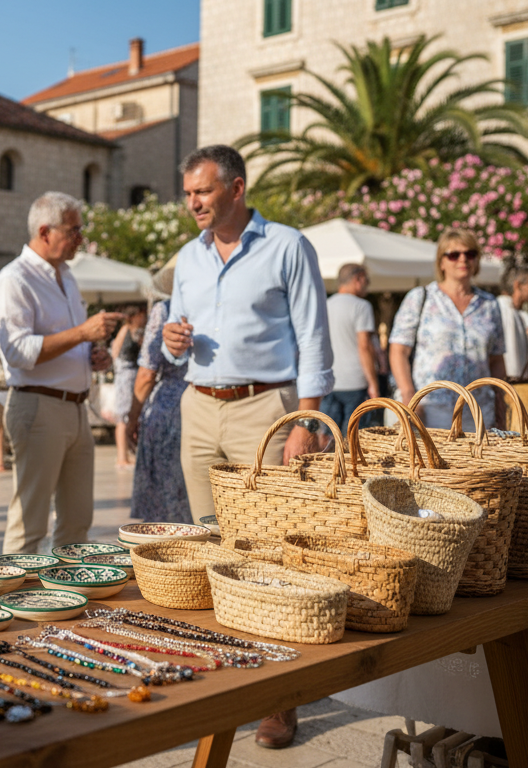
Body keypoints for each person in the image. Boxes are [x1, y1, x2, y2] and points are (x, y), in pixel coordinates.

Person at [158, 145, 332, 750]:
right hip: (200, 406)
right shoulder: (187, 258)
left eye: (202, 192)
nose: (193, 204)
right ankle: (225, 681)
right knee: (213, 545)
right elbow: (173, 344)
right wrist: (171, 341)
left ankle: (281, 701)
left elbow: (314, 337)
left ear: (236, 188)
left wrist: (308, 422)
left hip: (269, 410)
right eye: (187, 194)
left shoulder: (288, 245)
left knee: (274, 553)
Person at [0, 191, 122, 555]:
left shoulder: (66, 275)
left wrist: (91, 355)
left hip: (75, 408)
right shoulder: (14, 279)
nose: (81, 238)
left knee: (78, 519)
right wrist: (83, 333)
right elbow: (17, 352)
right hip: (38, 406)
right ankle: (16, 602)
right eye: (75, 229)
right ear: (46, 231)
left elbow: (64, 342)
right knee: (29, 523)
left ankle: (64, 598)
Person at [389, 228, 506, 431]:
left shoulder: (489, 305)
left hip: (478, 411)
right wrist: (409, 397)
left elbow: (496, 359)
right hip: (432, 409)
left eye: (470, 254)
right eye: (454, 255)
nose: (463, 259)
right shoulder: (420, 298)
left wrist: (501, 405)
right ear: (441, 262)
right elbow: (398, 351)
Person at [125, 287, 191, 523]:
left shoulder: (165, 309)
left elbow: (146, 374)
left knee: (164, 511)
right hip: (206, 404)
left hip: (167, 413)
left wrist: (131, 418)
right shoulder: (217, 307)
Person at [320, 264, 380, 434]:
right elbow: (364, 346)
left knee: (328, 439)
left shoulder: (325, 305)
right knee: (353, 439)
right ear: (358, 279)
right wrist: (373, 384)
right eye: (366, 281)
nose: (367, 285)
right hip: (355, 381)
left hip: (329, 380)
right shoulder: (361, 306)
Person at [107, 304, 147, 469]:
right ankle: (122, 457)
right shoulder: (130, 330)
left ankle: (123, 456)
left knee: (123, 415)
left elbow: (115, 351)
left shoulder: (124, 330)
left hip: (124, 372)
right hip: (128, 373)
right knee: (124, 415)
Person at [497, 257, 528, 379]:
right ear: (518, 285)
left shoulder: (516, 311)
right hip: (514, 384)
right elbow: (511, 356)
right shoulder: (505, 310)